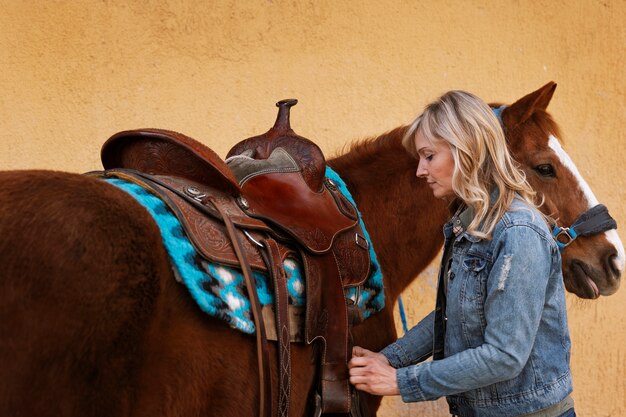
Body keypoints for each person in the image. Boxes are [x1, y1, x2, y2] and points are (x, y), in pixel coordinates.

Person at [348, 91, 575, 417]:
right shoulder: (469, 225)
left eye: (429, 156)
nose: (420, 171)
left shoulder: (519, 232)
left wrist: (400, 381)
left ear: (467, 152)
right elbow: (451, 312)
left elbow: (505, 356)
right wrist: (389, 358)